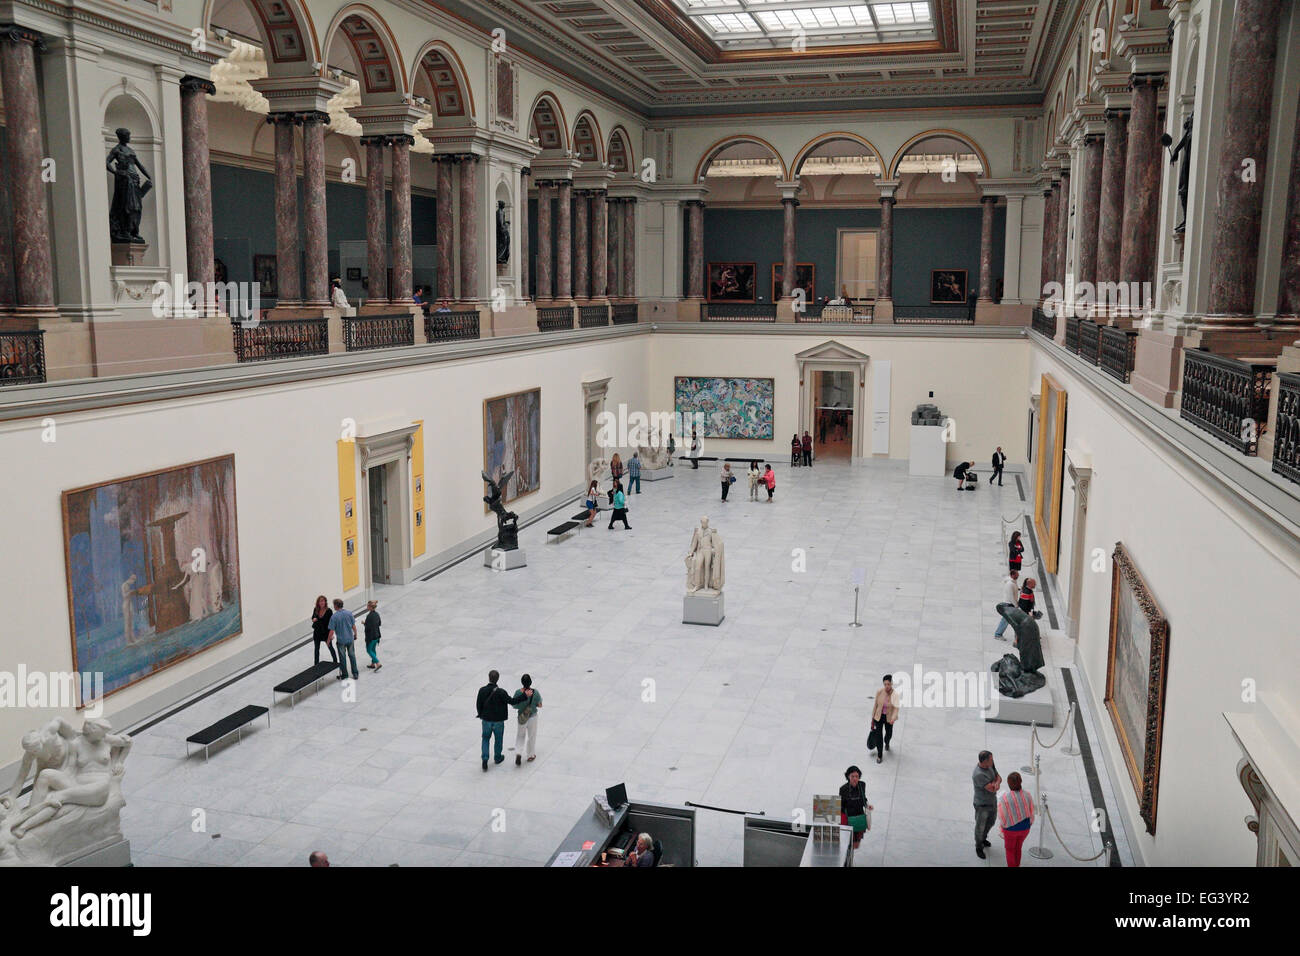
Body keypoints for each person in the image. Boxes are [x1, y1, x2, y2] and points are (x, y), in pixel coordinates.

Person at [476, 669, 513, 771]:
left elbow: (478, 704)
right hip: (498, 721)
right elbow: (511, 701)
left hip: (486, 720)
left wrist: (480, 714)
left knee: (485, 738)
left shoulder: (482, 690)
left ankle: (485, 758)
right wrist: (524, 696)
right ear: (498, 679)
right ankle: (497, 757)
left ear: (489, 678)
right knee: (498, 739)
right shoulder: (501, 692)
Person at [998, 772, 1036, 867]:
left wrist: (1002, 828)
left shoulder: (1004, 798)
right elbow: (1032, 812)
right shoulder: (1027, 795)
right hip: (1025, 829)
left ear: (1008, 783)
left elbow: (1002, 817)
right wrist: (1029, 823)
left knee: (1010, 850)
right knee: (1018, 848)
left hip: (1010, 830)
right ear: (1021, 782)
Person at [973, 750, 1002, 859]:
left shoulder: (991, 765)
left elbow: (999, 778)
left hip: (992, 802)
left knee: (991, 822)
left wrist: (996, 782)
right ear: (985, 761)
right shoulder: (978, 775)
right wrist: (996, 783)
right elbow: (992, 789)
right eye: (990, 759)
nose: (993, 761)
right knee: (980, 827)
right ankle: (978, 846)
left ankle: (983, 838)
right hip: (982, 805)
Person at [509, 673, 542, 765]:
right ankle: (530, 755)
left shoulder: (518, 692)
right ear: (530, 682)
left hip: (522, 717)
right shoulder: (535, 692)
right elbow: (540, 705)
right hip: (533, 717)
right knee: (532, 736)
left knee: (520, 735)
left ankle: (519, 752)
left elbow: (514, 705)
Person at [838, 765, 873, 850]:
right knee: (848, 841)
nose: (854, 779)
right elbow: (841, 805)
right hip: (849, 818)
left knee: (856, 843)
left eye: (857, 776)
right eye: (852, 776)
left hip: (860, 817)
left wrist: (867, 805)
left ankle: (852, 849)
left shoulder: (862, 785)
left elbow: (864, 798)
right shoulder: (843, 789)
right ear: (848, 776)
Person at [871, 674, 900, 764]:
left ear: (891, 683)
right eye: (885, 684)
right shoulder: (880, 692)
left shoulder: (895, 695)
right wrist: (872, 718)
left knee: (888, 734)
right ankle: (880, 754)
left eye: (888, 684)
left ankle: (887, 742)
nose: (887, 686)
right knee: (878, 736)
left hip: (889, 718)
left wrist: (893, 718)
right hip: (879, 717)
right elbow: (875, 705)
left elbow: (896, 708)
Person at [327, 599, 359, 681]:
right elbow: (353, 626)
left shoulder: (334, 617)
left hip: (341, 641)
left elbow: (331, 631)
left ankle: (345, 675)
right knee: (352, 656)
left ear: (336, 606)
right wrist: (355, 634)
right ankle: (355, 674)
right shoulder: (349, 613)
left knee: (342, 658)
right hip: (350, 638)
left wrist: (328, 640)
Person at [310, 594, 337, 665]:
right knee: (316, 649)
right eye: (320, 601)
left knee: (330, 647)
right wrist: (313, 619)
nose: (321, 603)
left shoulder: (329, 611)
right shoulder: (316, 609)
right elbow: (312, 617)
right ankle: (316, 664)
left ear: (325, 602)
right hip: (317, 632)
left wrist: (331, 634)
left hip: (326, 633)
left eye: (323, 601)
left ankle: (335, 661)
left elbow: (332, 623)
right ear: (318, 603)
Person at [994, 570, 1020, 641]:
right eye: (1017, 575)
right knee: (1005, 620)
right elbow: (1010, 596)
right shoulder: (1009, 584)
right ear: (1012, 575)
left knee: (1006, 620)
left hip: (1010, 604)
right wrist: (1016, 605)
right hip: (1009, 604)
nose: (1018, 576)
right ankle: (998, 634)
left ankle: (998, 634)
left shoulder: (1013, 582)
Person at [363, 599, 382, 671]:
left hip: (371, 637)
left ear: (370, 607)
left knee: (369, 650)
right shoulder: (377, 614)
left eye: (368, 606)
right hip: (377, 635)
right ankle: (372, 664)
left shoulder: (369, 616)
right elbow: (379, 623)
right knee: (373, 649)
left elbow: (368, 627)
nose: (367, 607)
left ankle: (378, 663)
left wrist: (364, 623)